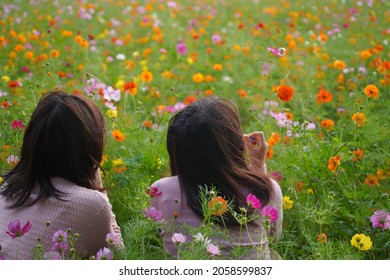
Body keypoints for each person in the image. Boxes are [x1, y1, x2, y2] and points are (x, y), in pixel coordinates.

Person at [150, 96, 283, 259]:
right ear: (233, 144)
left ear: (176, 150)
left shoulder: (161, 191)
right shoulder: (266, 189)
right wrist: (258, 169)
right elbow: (272, 238)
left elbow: (156, 238)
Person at [0, 90, 122, 260]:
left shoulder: (7, 188)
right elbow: (119, 255)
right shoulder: (90, 205)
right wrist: (100, 192)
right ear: (89, 147)